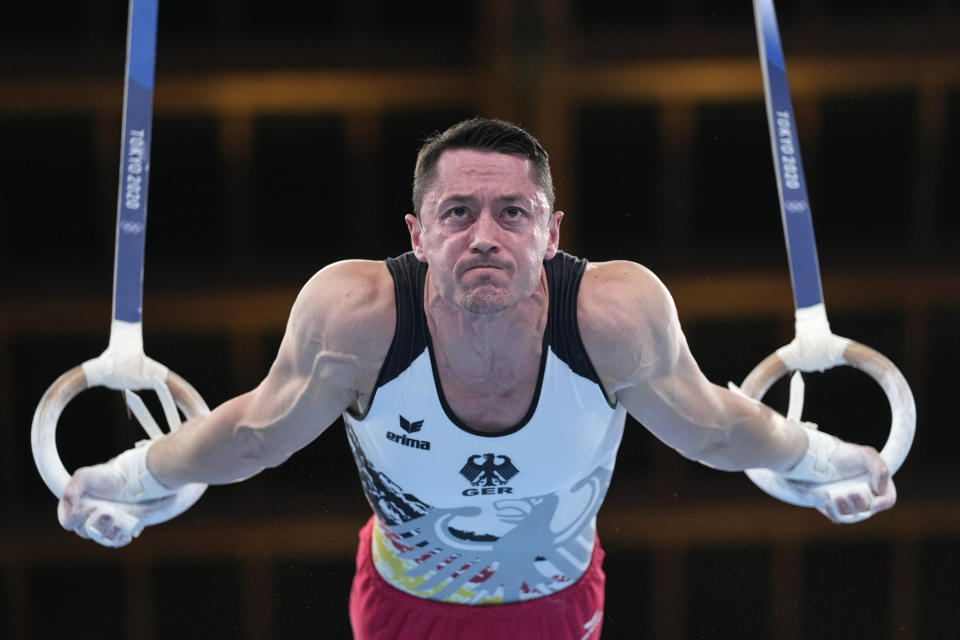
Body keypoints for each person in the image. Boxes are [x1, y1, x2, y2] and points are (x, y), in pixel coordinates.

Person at [58, 117, 895, 639]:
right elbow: (250, 437)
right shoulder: (359, 315)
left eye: (512, 213)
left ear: (552, 234)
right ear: (418, 234)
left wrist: (822, 460)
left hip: (557, 605)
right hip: (404, 606)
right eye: (458, 213)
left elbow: (716, 428)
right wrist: (126, 479)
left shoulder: (610, 316)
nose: (485, 235)